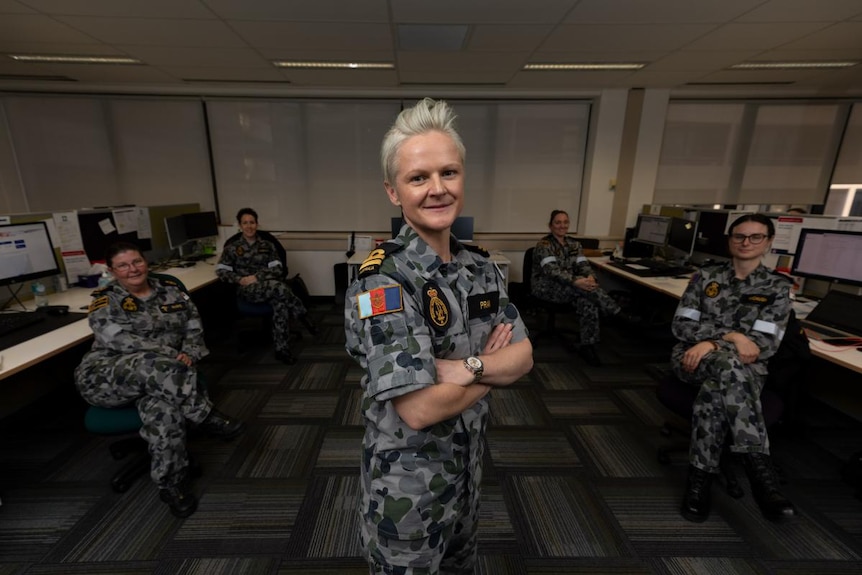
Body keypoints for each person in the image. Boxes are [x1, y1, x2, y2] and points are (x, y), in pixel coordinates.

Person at [344, 98, 534, 574]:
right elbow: (420, 407)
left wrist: (466, 369)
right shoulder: (382, 281)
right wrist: (492, 372)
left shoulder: (481, 268)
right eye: (418, 177)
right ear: (393, 191)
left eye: (448, 173)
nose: (437, 189)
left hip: (467, 473)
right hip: (408, 491)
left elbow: (526, 356)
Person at [75, 242, 245, 518]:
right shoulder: (105, 299)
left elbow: (194, 325)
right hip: (108, 377)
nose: (132, 269)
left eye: (137, 261)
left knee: (163, 410)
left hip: (164, 379)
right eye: (123, 265)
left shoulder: (171, 291)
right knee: (150, 363)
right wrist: (172, 355)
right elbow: (118, 339)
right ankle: (206, 416)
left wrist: (188, 353)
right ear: (112, 271)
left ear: (146, 262)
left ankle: (172, 482)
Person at [672, 213, 797, 523]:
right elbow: (682, 325)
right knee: (728, 364)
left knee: (716, 392)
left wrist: (713, 343)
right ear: (730, 240)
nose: (746, 242)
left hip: (743, 370)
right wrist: (729, 337)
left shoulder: (778, 287)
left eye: (756, 237)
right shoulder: (705, 277)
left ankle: (698, 483)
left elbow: (763, 345)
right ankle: (760, 471)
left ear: (768, 242)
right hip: (692, 360)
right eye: (739, 236)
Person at [531, 209, 633, 366]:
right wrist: (576, 281)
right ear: (550, 226)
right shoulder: (544, 245)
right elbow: (552, 271)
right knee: (584, 289)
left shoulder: (574, 244)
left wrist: (590, 277)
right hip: (546, 287)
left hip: (572, 287)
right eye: (558, 222)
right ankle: (618, 313)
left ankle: (588, 345)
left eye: (565, 222)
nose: (562, 226)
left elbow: (583, 265)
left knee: (588, 301)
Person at [216, 207, 316, 365]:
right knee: (279, 288)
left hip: (267, 285)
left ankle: (282, 350)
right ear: (240, 226)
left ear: (257, 224)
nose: (249, 226)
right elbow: (221, 271)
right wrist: (240, 279)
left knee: (280, 303)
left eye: (252, 222)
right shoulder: (232, 248)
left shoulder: (267, 245)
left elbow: (277, 268)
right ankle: (302, 314)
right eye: (245, 223)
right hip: (247, 290)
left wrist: (257, 277)